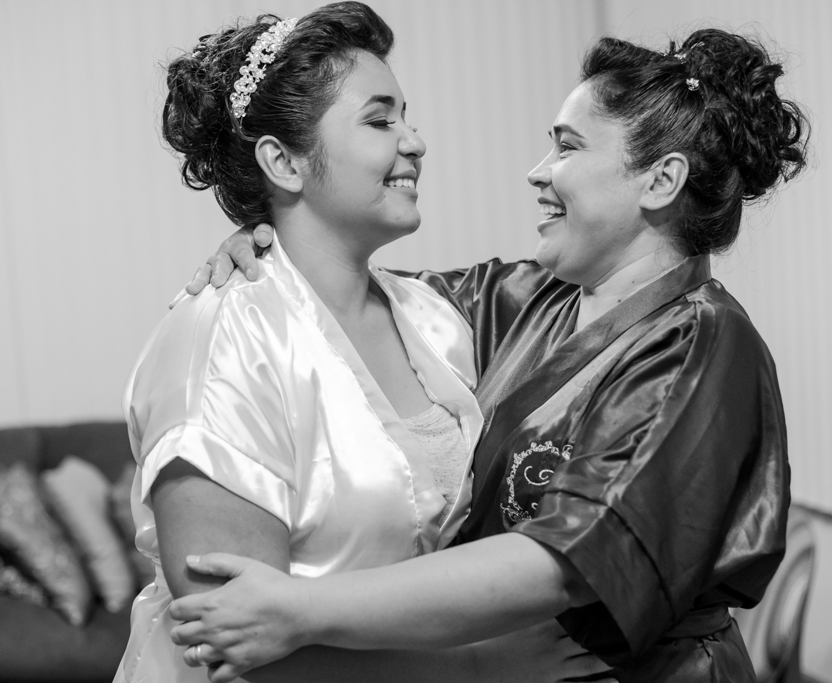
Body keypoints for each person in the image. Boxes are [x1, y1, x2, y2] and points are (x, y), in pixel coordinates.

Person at [168, 26, 808, 683]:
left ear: (661, 179)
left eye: (567, 146)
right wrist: (271, 240)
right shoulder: (522, 299)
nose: (537, 171)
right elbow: (351, 300)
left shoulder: (702, 339)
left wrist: (299, 612)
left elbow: (561, 560)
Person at [116, 3, 613, 682]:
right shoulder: (221, 341)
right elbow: (226, 643)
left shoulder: (436, 319)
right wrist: (477, 668)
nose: (415, 141)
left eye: (407, 117)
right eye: (380, 121)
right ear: (283, 161)